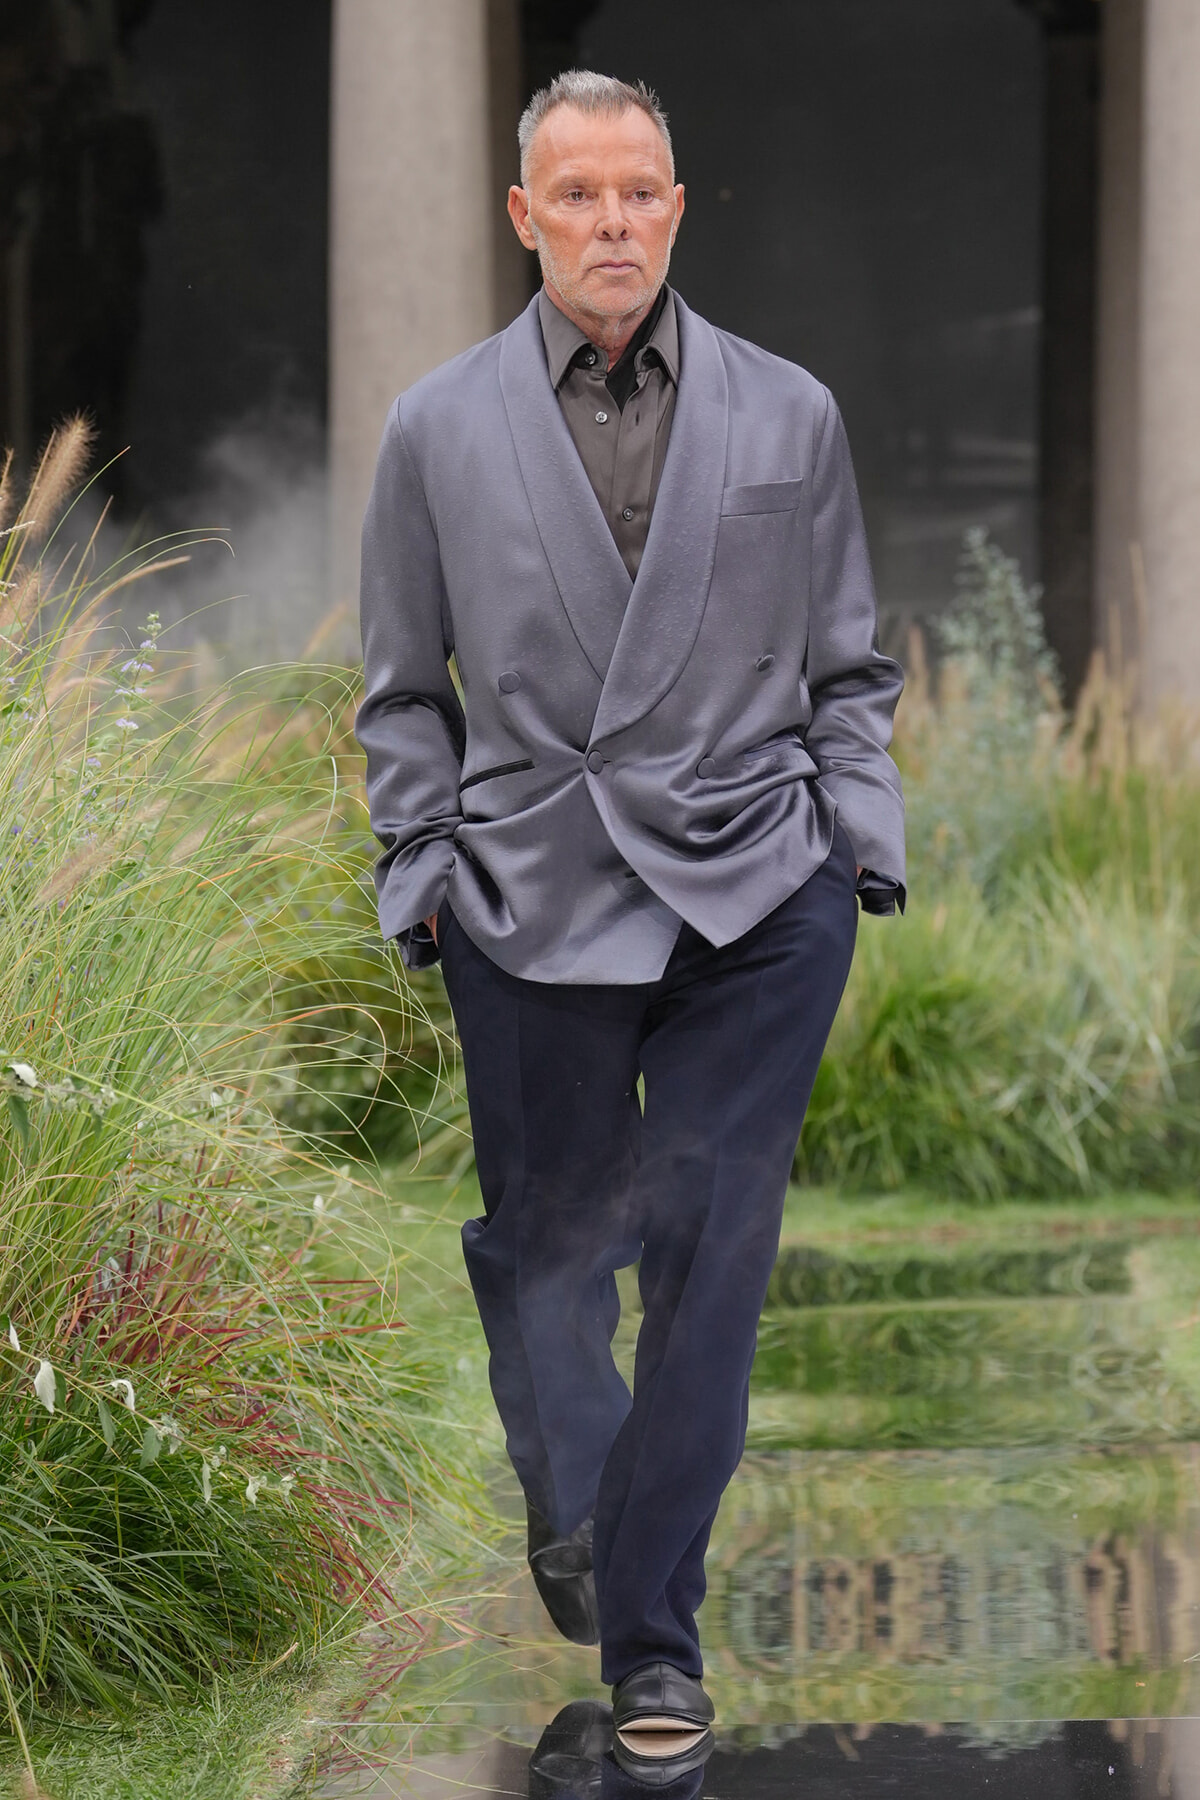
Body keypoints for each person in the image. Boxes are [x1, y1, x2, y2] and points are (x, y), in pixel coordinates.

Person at [356, 69, 905, 1785]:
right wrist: (422, 869)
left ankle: (656, 1635)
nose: (613, 223)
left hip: (757, 887)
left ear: (679, 206)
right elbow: (398, 691)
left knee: (711, 1258)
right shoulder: (435, 428)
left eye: (641, 192)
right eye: (578, 195)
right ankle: (583, 1498)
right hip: (531, 890)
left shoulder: (789, 412)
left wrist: (854, 849)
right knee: (544, 1250)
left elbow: (849, 666)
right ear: (523, 217)